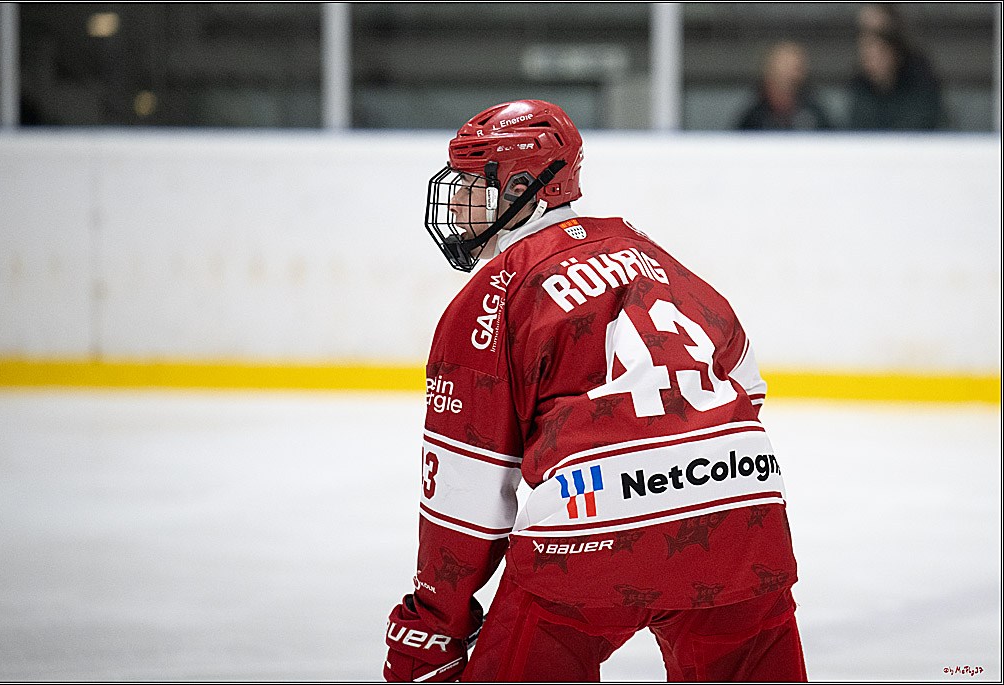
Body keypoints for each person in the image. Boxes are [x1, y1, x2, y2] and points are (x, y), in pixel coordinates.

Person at [383, 100, 806, 682]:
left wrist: (436, 620)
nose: (457, 203)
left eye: (474, 185)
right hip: (742, 514)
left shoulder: (495, 294)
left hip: (590, 534)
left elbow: (467, 487)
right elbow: (745, 379)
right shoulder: (658, 259)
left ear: (529, 187)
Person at [848, 3, 945, 130]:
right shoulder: (860, 84)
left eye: (877, 38)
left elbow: (924, 123)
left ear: (893, 49)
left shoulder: (919, 77)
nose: (868, 52)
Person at [735, 41, 833, 130]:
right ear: (771, 68)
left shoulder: (813, 110)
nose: (793, 73)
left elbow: (833, 139)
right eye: (786, 64)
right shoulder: (754, 115)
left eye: (797, 66)